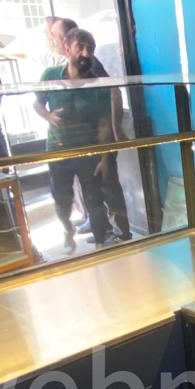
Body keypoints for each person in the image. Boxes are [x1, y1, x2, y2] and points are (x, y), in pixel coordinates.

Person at [41, 17, 131, 241]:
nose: (53, 41)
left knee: (107, 185)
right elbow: (38, 101)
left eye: (56, 36)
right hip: (73, 145)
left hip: (97, 140)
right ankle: (101, 227)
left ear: (66, 39)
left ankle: (120, 233)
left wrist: (116, 130)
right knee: (89, 189)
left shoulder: (90, 65)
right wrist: (48, 115)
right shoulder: (55, 72)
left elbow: (112, 92)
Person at [35, 28, 112, 252]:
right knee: (62, 198)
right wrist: (48, 116)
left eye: (90, 48)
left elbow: (104, 123)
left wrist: (104, 157)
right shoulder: (50, 75)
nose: (86, 53)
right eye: (81, 47)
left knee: (94, 197)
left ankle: (100, 242)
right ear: (67, 49)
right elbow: (37, 103)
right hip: (58, 149)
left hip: (88, 150)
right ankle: (67, 231)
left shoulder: (97, 84)